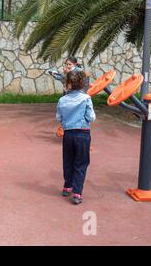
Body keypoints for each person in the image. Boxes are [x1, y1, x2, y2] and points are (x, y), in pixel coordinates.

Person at [56, 71, 96, 204]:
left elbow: (58, 117)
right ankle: (77, 192)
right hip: (83, 134)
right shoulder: (86, 98)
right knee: (81, 162)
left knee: (68, 160)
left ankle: (67, 186)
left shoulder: (62, 100)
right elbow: (91, 117)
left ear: (68, 84)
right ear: (81, 84)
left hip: (68, 134)